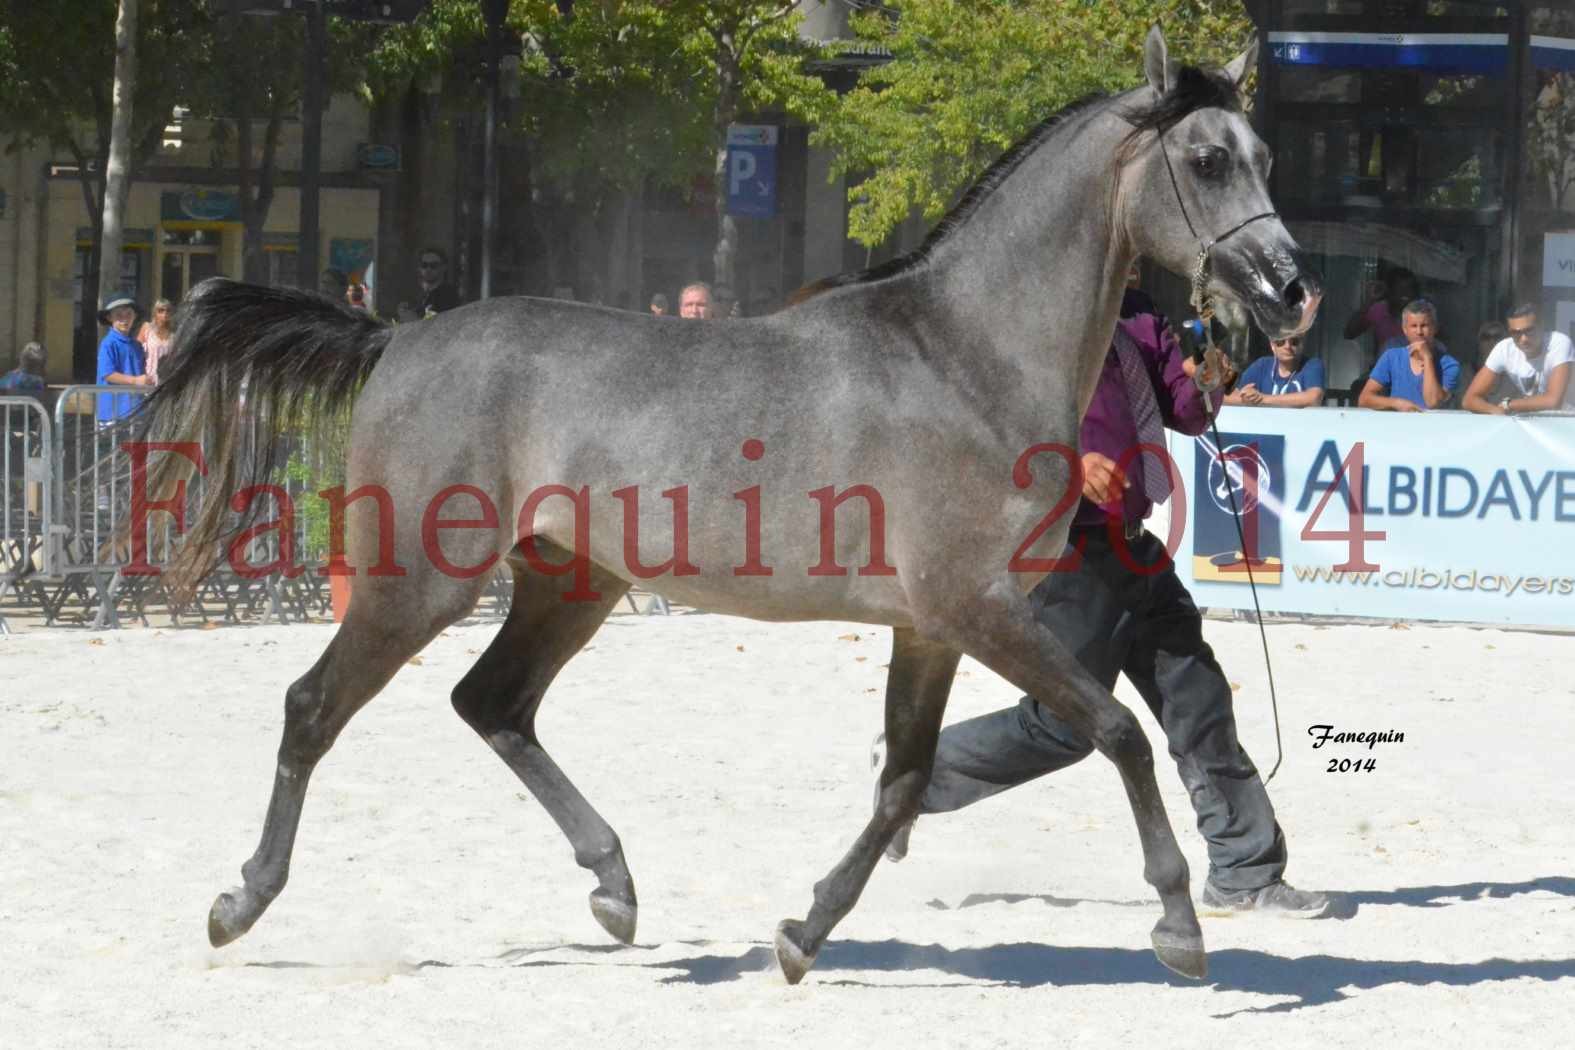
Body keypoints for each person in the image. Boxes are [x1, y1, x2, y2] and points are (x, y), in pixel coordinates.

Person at [873, 287, 1329, 918]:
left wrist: (1212, 362)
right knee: (1063, 726)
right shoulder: (1030, 311)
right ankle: (914, 770)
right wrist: (1064, 459)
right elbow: (973, 426)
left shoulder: (1142, 313)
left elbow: (1188, 411)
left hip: (1137, 545)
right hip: (1068, 551)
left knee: (1198, 698)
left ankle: (1244, 869)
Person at [1462, 303, 1575, 415]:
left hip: (1568, 420)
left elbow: (1553, 401)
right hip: (1534, 421)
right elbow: (1469, 400)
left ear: (1541, 325)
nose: (1523, 339)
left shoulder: (1559, 342)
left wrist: (1508, 404)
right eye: (1516, 333)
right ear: (1509, 332)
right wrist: (1496, 411)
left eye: (1529, 331)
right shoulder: (1504, 348)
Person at [1357, 299, 1459, 412]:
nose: (1419, 332)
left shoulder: (1449, 364)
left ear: (1435, 328)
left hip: (1433, 427)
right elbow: (1364, 399)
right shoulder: (1391, 357)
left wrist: (1427, 358)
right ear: (1405, 329)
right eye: (1414, 326)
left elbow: (1432, 402)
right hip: (1398, 426)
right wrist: (1396, 403)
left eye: (1424, 325)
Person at [1224, 334, 1325, 407]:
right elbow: (1226, 396)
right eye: (1281, 342)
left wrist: (1262, 399)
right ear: (1272, 345)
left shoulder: (1312, 365)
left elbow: (1313, 398)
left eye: (1294, 342)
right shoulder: (1262, 365)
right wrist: (1247, 399)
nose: (1287, 346)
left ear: (1301, 345)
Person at [1343, 267, 1417, 365]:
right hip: (1385, 370)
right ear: (1390, 290)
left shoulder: (1421, 313)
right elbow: (1350, 333)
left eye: (1408, 289)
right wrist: (1370, 300)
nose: (1405, 294)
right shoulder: (1380, 310)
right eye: (1400, 289)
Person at [95, 294, 148, 426]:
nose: (124, 319)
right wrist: (136, 381)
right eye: (119, 315)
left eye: (129, 314)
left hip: (135, 411)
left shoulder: (137, 346)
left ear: (135, 316)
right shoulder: (108, 344)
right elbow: (108, 374)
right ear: (109, 317)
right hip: (113, 413)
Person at [397, 248, 461, 321]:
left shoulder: (448, 294)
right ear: (419, 268)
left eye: (433, 265)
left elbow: (444, 326)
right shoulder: (421, 297)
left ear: (444, 267)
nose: (428, 269)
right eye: (424, 265)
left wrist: (413, 319)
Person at [136, 297, 175, 386]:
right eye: (161, 310)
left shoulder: (174, 333)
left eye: (168, 310)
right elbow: (136, 352)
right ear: (155, 312)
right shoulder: (147, 328)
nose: (165, 313)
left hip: (166, 379)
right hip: (148, 378)